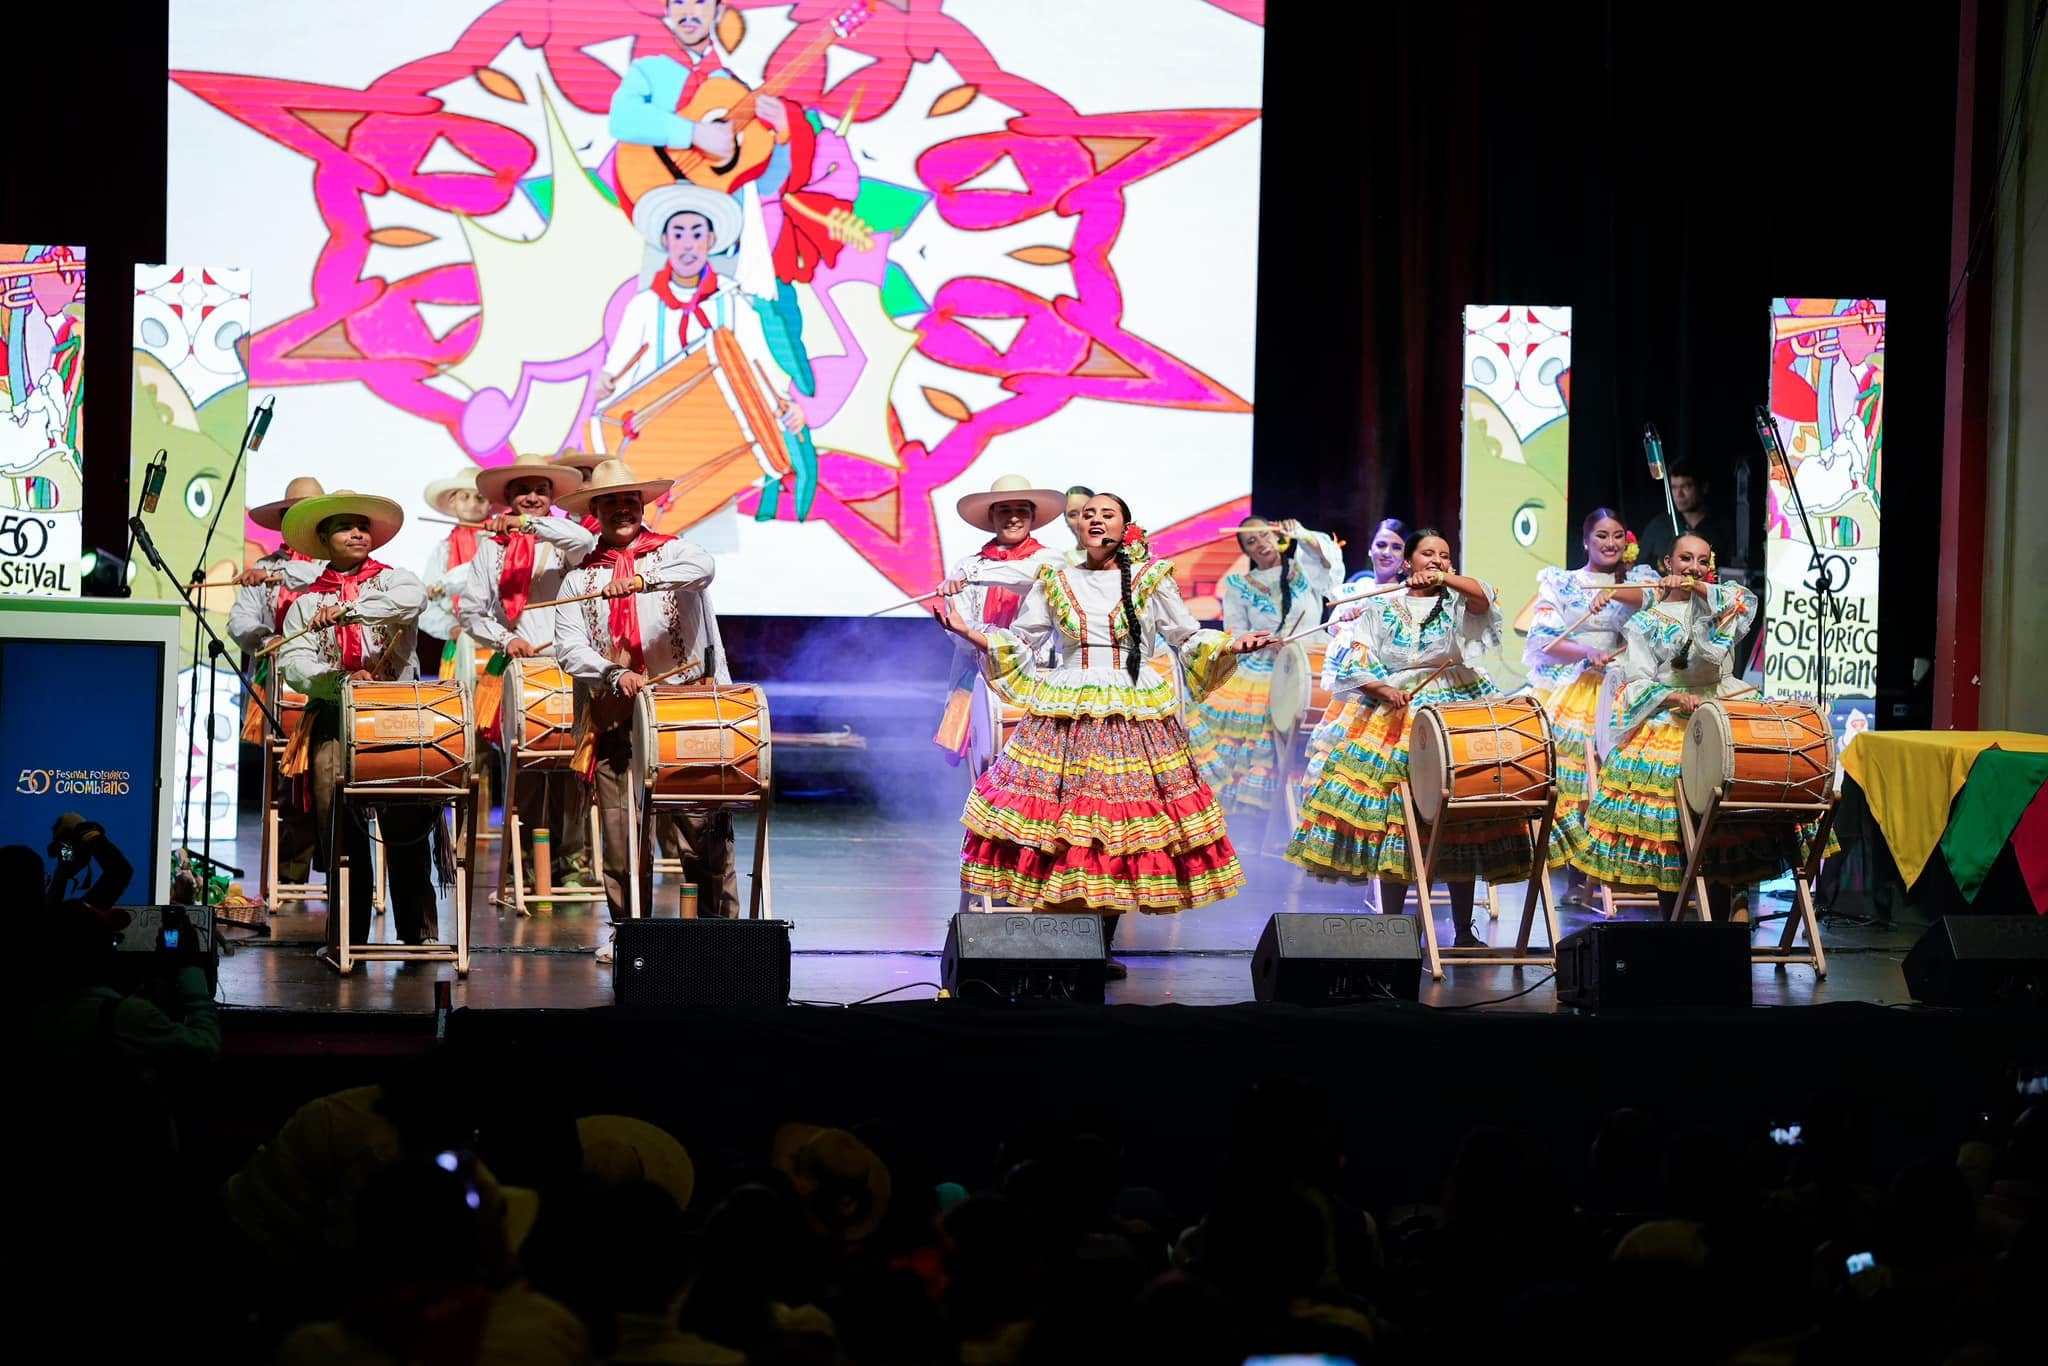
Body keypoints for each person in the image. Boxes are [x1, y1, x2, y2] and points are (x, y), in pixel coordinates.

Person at [936, 493, 1271, 977]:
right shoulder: (1056, 578)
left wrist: (1230, 643)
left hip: (1130, 705)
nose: (1094, 520)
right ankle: (1058, 941)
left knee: (1117, 826)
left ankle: (1099, 945)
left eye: (1106, 514)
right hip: (1069, 703)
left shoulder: (1151, 578)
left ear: (1125, 527)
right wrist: (971, 633)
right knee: (1059, 821)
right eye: (1086, 515)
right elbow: (1024, 638)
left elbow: (1185, 636)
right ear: (1076, 528)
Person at [1286, 528, 1530, 947]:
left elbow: (1484, 597)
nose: (1436, 559)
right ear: (1407, 562)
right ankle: (1391, 928)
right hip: (1394, 714)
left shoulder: (1457, 600)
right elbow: (1356, 665)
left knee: (1458, 815)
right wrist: (1386, 690)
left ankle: (1463, 931)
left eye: (1445, 555)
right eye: (1427, 554)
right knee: (1394, 820)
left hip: (1454, 708)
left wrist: (1446, 579)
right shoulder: (1380, 607)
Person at [1570, 533, 1826, 919]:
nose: (1693, 567)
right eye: (1685, 559)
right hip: (1670, 719)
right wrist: (1674, 698)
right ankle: (1675, 924)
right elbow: (1636, 683)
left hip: (1724, 709)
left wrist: (1700, 585)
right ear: (1667, 564)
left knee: (1729, 818)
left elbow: (1740, 604)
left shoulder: (1722, 602)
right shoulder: (1646, 623)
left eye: (1702, 561)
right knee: (1672, 828)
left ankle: (1729, 923)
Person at [551, 459, 735, 945]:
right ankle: (632, 936)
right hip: (617, 716)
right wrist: (613, 673)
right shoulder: (578, 579)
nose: (622, 509)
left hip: (686, 711)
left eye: (629, 500)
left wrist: (641, 581)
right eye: (610, 501)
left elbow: (705, 569)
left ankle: (722, 937)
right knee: (621, 838)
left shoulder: (676, 553)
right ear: (596, 510)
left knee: (701, 829)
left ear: (642, 505)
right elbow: (569, 648)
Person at [276, 490, 440, 954]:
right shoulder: (306, 605)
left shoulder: (394, 582)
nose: (356, 533)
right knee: (341, 834)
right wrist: (341, 682)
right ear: (324, 538)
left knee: (407, 826)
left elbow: (413, 602)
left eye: (362, 526)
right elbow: (295, 664)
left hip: (396, 717)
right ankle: (346, 934)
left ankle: (419, 932)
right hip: (335, 720)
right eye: (345, 526)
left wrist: (349, 609)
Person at [593, 181, 814, 524]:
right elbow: (615, 372)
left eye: (697, 234)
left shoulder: (733, 302)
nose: (688, 245)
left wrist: (787, 405)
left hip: (718, 440)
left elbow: (762, 366)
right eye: (678, 233)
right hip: (653, 445)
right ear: (665, 241)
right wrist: (605, 383)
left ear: (711, 241)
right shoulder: (644, 306)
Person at [458, 454, 601, 891]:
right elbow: (470, 612)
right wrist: (505, 639)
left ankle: (570, 866)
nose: (532, 497)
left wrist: (530, 528)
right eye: (523, 491)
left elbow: (585, 543)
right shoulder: (491, 549)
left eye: (540, 490)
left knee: (573, 771)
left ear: (551, 496)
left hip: (572, 667)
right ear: (509, 498)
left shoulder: (564, 537)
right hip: (523, 669)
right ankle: (522, 868)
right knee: (523, 773)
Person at [1522, 509, 1659, 883]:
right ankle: (1574, 858)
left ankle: (1615, 855)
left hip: (1623, 685)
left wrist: (1613, 589)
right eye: (1601, 535)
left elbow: (1651, 599)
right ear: (1585, 541)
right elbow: (1545, 642)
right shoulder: (1563, 583)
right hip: (1578, 684)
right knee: (1574, 771)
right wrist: (1587, 652)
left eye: (1617, 535)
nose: (1610, 543)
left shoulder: (1638, 581)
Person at [1186, 517, 1344, 816]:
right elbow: (1234, 632)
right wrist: (1262, 642)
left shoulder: (1303, 568)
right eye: (1251, 542)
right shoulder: (1238, 585)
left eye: (1264, 536)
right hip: (1260, 668)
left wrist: (1303, 533)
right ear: (1246, 551)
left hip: (1309, 656)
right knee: (1259, 737)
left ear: (1276, 535)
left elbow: (1329, 562)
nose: (1261, 544)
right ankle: (1257, 816)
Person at [933, 475, 1070, 769]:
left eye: (1021, 510)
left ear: (1033, 517)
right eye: (1005, 510)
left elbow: (1026, 575)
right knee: (981, 769)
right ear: (992, 516)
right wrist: (985, 638)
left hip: (1036, 676)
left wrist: (972, 579)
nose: (1013, 518)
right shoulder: (967, 565)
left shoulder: (1052, 561)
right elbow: (959, 627)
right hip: (979, 676)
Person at [232, 475, 330, 883]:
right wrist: (266, 636)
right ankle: (288, 876)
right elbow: (239, 621)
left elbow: (313, 583)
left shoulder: (332, 566)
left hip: (327, 684)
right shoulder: (265, 568)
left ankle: (343, 873)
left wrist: (281, 574)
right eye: (293, 515)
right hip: (280, 688)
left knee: (330, 776)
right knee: (286, 781)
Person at [417, 469, 489, 679]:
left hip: (499, 643)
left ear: (491, 503)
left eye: (480, 498)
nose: (473, 504)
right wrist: (451, 628)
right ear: (452, 502)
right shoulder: (443, 550)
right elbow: (427, 604)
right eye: (464, 497)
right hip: (459, 646)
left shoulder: (499, 541)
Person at [1636, 462, 1737, 573]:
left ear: (1703, 487)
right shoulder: (1658, 526)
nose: (1679, 494)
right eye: (1674, 487)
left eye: (1686, 487)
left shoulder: (1722, 527)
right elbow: (1640, 569)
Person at [1344, 516, 1408, 586]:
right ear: (1370, 549)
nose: (1387, 553)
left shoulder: (1408, 593)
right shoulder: (1356, 587)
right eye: (1381, 545)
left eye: (1396, 548)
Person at [1061, 485, 1095, 565]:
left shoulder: (1125, 552)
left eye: (1088, 512)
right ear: (1066, 520)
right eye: (1073, 515)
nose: (1080, 520)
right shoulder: (1061, 563)